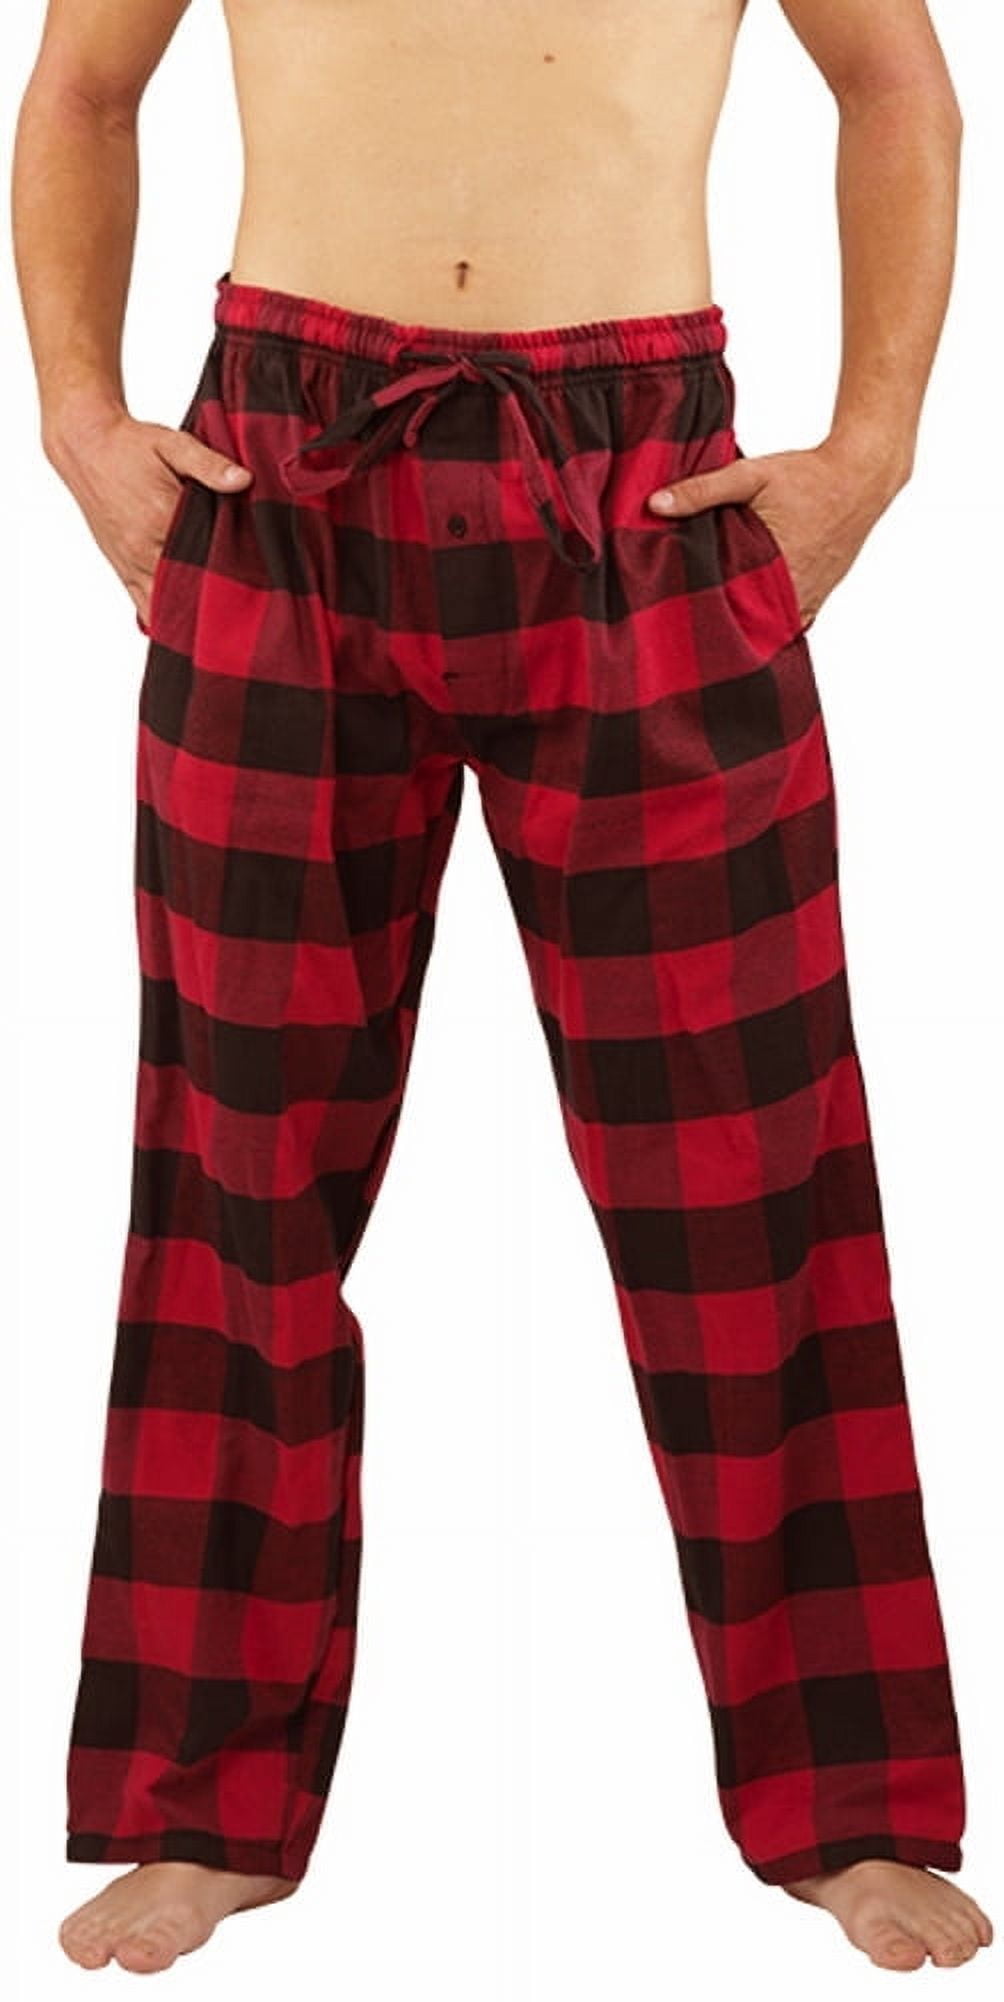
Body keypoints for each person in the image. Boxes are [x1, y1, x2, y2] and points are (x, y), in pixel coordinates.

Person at [12, 0, 992, 1978]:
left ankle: (850, 1798)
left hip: (641, 490)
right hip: (281, 475)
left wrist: (869, 451)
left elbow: (896, 81)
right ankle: (201, 1802)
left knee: (752, 1174)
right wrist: (80, 421)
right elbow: (84, 89)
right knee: (237, 1174)